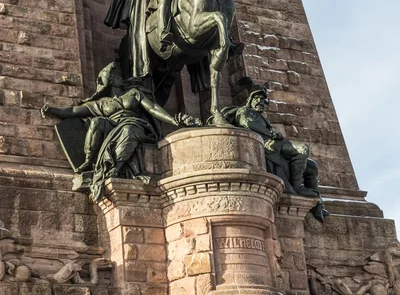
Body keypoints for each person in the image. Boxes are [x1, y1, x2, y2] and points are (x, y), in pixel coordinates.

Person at [41, 74, 200, 201]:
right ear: (109, 82)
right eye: (113, 76)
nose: (117, 77)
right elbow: (74, 111)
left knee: (128, 130)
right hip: (113, 126)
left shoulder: (133, 94)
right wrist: (53, 111)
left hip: (135, 125)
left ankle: (116, 167)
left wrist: (173, 121)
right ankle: (89, 160)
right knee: (96, 122)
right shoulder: (102, 104)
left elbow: (153, 108)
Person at [222, 77, 329, 222]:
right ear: (251, 100)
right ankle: (298, 187)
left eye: (263, 100)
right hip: (267, 144)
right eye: (257, 99)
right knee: (303, 148)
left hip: (276, 144)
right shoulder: (244, 111)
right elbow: (247, 123)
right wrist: (270, 133)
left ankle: (318, 205)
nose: (260, 102)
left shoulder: (262, 117)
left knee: (312, 167)